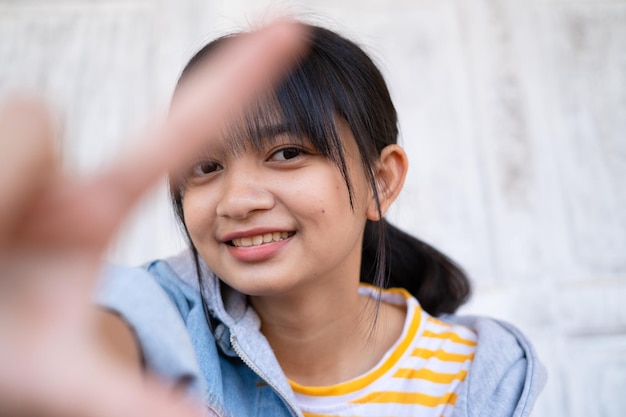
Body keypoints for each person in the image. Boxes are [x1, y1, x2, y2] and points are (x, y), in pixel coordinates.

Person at [0, 20, 545, 417]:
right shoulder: (164, 316)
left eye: (286, 153)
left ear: (382, 181)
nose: (237, 200)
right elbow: (96, 339)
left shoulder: (479, 377)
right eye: (206, 167)